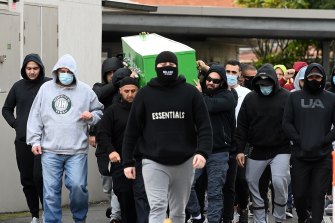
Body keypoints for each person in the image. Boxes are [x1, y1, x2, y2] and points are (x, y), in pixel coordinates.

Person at [122, 51, 213, 223]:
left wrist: (203, 152)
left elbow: (204, 126)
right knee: (157, 207)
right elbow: (132, 130)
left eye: (171, 65)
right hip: (153, 161)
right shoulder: (144, 94)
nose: (167, 69)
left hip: (185, 161)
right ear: (156, 68)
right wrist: (128, 162)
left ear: (177, 67)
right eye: (163, 66)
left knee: (179, 211)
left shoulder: (191, 93)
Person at [26, 54, 104, 223]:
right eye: (62, 71)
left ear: (74, 72)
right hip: (50, 150)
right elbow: (35, 116)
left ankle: (79, 219)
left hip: (76, 150)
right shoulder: (46, 89)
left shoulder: (85, 90)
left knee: (78, 187)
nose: (65, 73)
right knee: (50, 192)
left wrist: (91, 116)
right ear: (56, 71)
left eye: (68, 71)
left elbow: (99, 112)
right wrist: (34, 141)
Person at [236, 64, 291, 223]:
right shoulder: (250, 98)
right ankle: (261, 219)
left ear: (274, 82)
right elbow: (242, 125)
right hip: (257, 149)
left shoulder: (286, 97)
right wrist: (240, 150)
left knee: (279, 182)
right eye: (261, 84)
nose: (265, 87)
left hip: (281, 148)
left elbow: (292, 122)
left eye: (268, 84)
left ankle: (279, 217)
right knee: (253, 183)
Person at [282, 63, 335, 223]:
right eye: (311, 77)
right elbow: (286, 123)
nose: (314, 80)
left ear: (323, 78)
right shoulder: (294, 97)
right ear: (305, 78)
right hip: (300, 156)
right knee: (299, 195)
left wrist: (324, 141)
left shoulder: (331, 98)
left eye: (317, 77)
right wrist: (300, 140)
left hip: (322, 156)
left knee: (318, 194)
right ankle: (303, 217)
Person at [2, 53, 50, 223]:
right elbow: (6, 109)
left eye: (35, 68)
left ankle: (48, 214)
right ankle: (35, 216)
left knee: (40, 178)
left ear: (41, 68)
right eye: (28, 68)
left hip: (44, 142)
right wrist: (16, 124)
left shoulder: (49, 84)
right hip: (23, 141)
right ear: (24, 69)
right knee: (27, 180)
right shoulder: (18, 86)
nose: (32, 72)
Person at [97, 77, 150, 223]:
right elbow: (103, 134)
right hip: (120, 161)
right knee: (124, 196)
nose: (130, 94)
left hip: (142, 160)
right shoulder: (112, 111)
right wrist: (111, 151)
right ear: (120, 91)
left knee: (142, 196)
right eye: (126, 91)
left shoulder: (144, 109)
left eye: (133, 91)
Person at [187, 64, 235, 223]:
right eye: (208, 79)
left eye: (216, 81)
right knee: (187, 186)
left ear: (222, 83)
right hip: (198, 150)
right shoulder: (197, 95)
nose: (211, 83)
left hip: (219, 152)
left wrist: (199, 94)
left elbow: (210, 106)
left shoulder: (228, 96)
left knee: (215, 193)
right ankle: (197, 215)